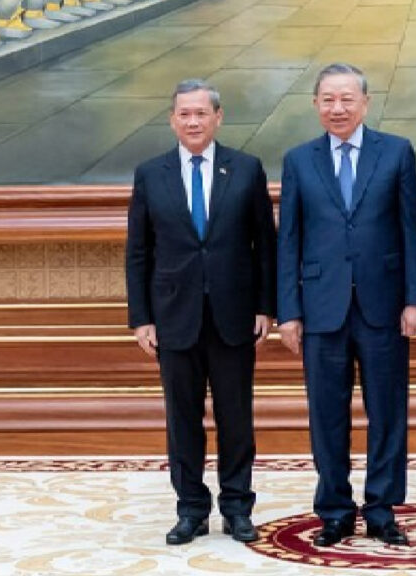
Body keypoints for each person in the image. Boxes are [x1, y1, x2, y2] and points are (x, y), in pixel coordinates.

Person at [277, 62, 416, 548]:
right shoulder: (299, 160)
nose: (337, 108)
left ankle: (382, 509)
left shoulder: (397, 152)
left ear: (365, 103)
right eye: (328, 99)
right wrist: (288, 310)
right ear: (315, 104)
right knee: (327, 414)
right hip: (321, 308)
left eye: (346, 99)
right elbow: (289, 240)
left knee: (388, 412)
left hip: (384, 306)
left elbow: (411, 230)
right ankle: (335, 510)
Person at [125, 78, 276, 546]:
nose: (193, 121)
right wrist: (141, 318)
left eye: (201, 113)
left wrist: (265, 306)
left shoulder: (246, 168)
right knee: (182, 419)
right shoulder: (151, 173)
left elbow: (265, 245)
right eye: (184, 114)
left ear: (218, 117)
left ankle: (237, 507)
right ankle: (190, 509)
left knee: (236, 417)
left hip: (234, 316)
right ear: (172, 120)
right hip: (173, 317)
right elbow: (138, 252)